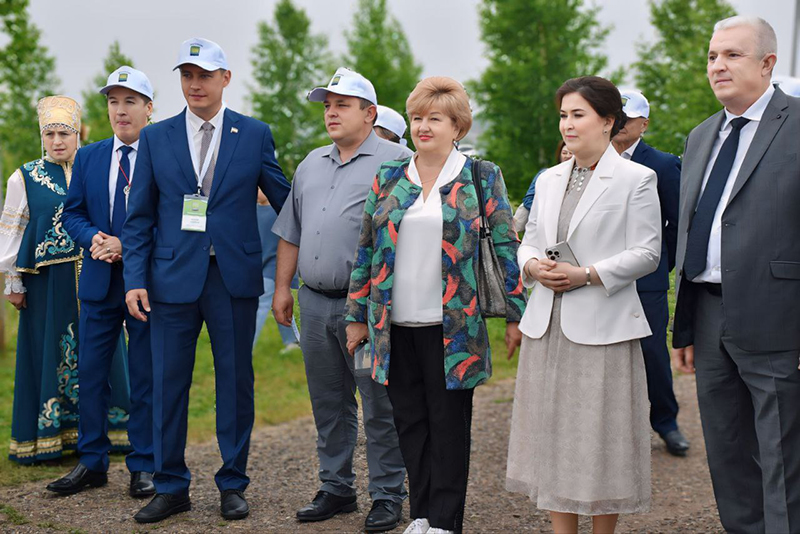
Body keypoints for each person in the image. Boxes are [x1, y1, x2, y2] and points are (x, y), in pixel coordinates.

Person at [344, 76, 526, 534]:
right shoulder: (389, 177)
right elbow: (366, 249)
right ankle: (422, 515)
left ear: (457, 126)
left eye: (435, 119)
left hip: (454, 329)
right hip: (394, 324)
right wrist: (356, 316)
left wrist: (517, 315)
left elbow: (505, 245)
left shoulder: (480, 177)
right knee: (409, 424)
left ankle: (446, 521)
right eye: (418, 118)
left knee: (448, 428)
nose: (424, 127)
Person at [122, 38, 291, 524]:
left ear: (225, 79)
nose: (195, 84)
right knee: (166, 384)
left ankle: (233, 484)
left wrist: (326, 239)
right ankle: (170, 485)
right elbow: (139, 217)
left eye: (204, 75)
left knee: (235, 384)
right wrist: (135, 278)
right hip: (169, 279)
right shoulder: (157, 137)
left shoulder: (254, 133)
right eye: (187, 75)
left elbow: (286, 200)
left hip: (233, 279)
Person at [508, 76, 661, 534]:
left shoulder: (637, 178)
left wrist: (587, 275)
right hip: (547, 324)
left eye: (578, 115)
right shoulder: (550, 177)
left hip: (604, 325)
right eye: (563, 115)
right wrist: (533, 267)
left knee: (599, 440)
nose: (567, 125)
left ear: (608, 121)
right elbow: (527, 241)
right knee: (552, 435)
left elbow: (648, 253)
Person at [671, 16, 800, 533]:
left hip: (778, 317)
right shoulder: (702, 136)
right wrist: (684, 326)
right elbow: (692, 230)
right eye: (711, 57)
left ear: (768, 63)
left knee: (783, 458)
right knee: (725, 452)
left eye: (732, 55)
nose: (717, 66)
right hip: (707, 313)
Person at [272, 67, 409, 532]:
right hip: (313, 301)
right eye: (327, 105)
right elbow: (291, 230)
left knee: (379, 402)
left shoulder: (399, 161)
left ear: (370, 114)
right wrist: (282, 287)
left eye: (342, 105)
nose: (331, 112)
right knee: (328, 402)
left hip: (371, 306)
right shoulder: (311, 162)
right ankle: (336, 487)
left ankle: (389, 493)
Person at [0, 96, 132, 465]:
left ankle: (114, 431)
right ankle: (52, 436)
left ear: (78, 134)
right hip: (48, 285)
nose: (57, 141)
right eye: (50, 134)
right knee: (51, 354)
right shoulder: (23, 176)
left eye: (65, 133)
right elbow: (13, 231)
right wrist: (14, 282)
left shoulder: (97, 168)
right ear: (41, 137)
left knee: (104, 354)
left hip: (99, 276)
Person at [48, 68, 156, 498]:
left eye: (130, 101)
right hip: (97, 281)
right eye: (113, 101)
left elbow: (170, 219)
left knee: (145, 374)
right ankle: (91, 462)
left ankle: (144, 464)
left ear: (149, 108)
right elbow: (71, 213)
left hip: (145, 284)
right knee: (90, 373)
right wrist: (94, 238)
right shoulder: (90, 156)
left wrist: (125, 246)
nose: (121, 110)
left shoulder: (163, 154)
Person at [611, 89, 688, 457]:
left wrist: (660, 263)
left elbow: (677, 221)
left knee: (651, 353)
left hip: (646, 279)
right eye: (616, 116)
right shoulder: (592, 160)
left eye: (628, 118)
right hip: (598, 276)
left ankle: (666, 422)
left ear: (644, 123)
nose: (621, 123)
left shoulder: (661, 163)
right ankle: (613, 428)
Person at [253, 189, 298, 351]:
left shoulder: (279, 212)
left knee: (260, 305)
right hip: (259, 266)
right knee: (278, 305)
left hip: (274, 269)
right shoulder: (254, 211)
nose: (256, 191)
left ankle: (245, 346)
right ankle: (292, 341)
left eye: (260, 187)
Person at [513, 140, 572, 233]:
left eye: (571, 153)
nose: (568, 156)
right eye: (564, 153)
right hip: (541, 225)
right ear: (559, 155)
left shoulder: (581, 177)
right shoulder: (545, 174)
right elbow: (528, 200)